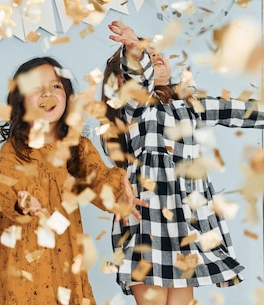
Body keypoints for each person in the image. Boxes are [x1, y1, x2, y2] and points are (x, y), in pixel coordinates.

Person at [104, 20, 264, 305]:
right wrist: (134, 53)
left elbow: (239, 111)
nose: (156, 57)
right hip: (148, 219)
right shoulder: (137, 107)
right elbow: (138, 82)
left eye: (156, 52)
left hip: (187, 221)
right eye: (147, 56)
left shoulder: (190, 104)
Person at [0, 56, 145, 305]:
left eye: (55, 86)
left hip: (64, 255)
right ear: (21, 102)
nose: (47, 94)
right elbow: (6, 185)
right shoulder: (14, 150)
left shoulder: (77, 148)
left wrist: (118, 191)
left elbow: (97, 178)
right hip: (22, 259)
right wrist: (22, 201)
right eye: (36, 88)